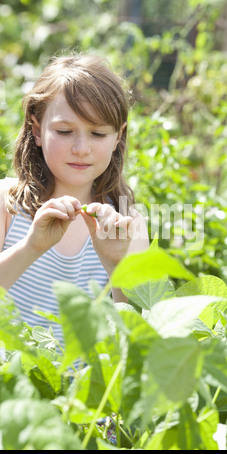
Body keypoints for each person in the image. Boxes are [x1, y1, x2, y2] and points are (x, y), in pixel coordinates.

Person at [0, 53, 149, 346]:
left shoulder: (127, 222)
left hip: (84, 388)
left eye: (97, 133)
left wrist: (116, 264)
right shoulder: (7, 200)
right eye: (65, 131)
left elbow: (135, 333)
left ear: (118, 136)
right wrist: (31, 247)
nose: (81, 148)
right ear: (36, 129)